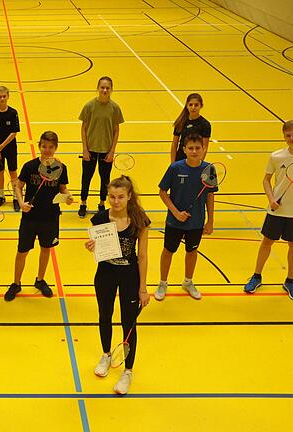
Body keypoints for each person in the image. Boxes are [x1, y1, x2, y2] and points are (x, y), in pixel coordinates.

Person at [85, 176, 150, 395]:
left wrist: (143, 288)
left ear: (129, 197)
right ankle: (106, 354)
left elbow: (142, 256)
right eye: (112, 196)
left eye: (121, 197)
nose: (115, 201)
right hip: (105, 274)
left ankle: (128, 371)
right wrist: (91, 246)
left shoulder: (139, 219)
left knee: (128, 322)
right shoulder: (100, 219)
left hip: (130, 276)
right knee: (105, 315)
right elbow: (97, 247)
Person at [243, 120, 293, 301]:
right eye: (288, 135)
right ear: (284, 137)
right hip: (276, 210)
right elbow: (266, 180)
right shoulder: (276, 156)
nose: (292, 138)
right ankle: (256, 276)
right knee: (267, 242)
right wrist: (271, 199)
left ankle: (290, 281)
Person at [5, 131, 73, 301]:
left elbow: (63, 188)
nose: (47, 150)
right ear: (39, 146)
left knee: (45, 249)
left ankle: (40, 280)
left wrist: (68, 196)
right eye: (44, 146)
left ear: (55, 148)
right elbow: (18, 187)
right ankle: (16, 283)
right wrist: (21, 203)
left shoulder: (61, 168)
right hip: (30, 217)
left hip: (50, 217)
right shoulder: (29, 166)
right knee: (22, 251)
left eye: (51, 147)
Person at [156, 134, 216, 301]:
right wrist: (175, 212)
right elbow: (162, 192)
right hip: (174, 221)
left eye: (198, 148)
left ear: (204, 149)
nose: (194, 151)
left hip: (196, 222)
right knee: (168, 251)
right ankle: (163, 283)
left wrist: (210, 221)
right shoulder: (175, 168)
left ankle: (188, 282)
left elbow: (210, 196)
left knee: (192, 251)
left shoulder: (209, 169)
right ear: (184, 150)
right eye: (190, 148)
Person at [78, 76, 124, 218]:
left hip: (106, 151)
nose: (104, 90)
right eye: (102, 87)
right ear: (98, 88)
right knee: (86, 177)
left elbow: (116, 130)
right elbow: (84, 128)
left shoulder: (115, 108)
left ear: (111, 90)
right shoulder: (89, 106)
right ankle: (83, 203)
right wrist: (85, 149)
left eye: (107, 88)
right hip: (90, 150)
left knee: (105, 179)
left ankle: (102, 203)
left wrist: (112, 152)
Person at [0, 85, 21, 211]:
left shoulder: (13, 113)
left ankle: (15, 197)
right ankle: (1, 196)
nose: (2, 99)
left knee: (13, 172)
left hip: (10, 147)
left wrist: (1, 146)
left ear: (8, 97)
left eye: (4, 96)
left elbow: (14, 133)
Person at [171, 93, 211, 163]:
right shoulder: (181, 121)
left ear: (201, 106)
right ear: (187, 105)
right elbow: (174, 144)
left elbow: (204, 147)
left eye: (196, 105)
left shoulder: (205, 124)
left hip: (195, 160)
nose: (193, 107)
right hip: (180, 160)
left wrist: (199, 163)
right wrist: (173, 164)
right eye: (190, 105)